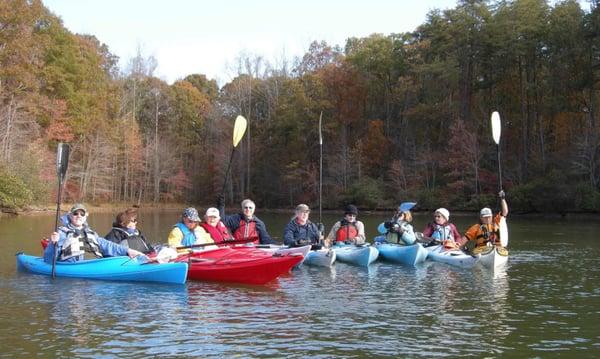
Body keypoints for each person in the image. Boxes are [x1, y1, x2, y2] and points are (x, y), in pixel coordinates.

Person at [43, 203, 144, 263]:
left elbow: (108, 245)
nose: (79, 216)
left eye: (82, 214)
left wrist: (127, 251)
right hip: (76, 267)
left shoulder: (91, 233)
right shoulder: (62, 233)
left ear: (85, 216)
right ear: (70, 216)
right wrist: (53, 244)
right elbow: (48, 259)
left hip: (97, 263)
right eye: (75, 213)